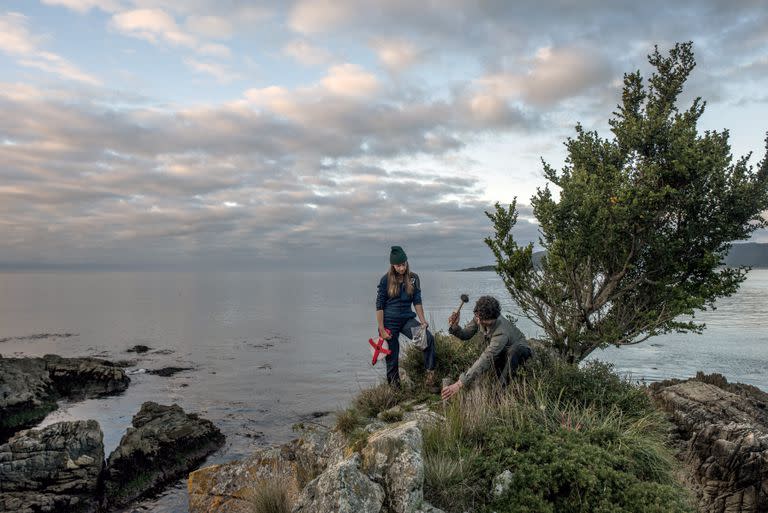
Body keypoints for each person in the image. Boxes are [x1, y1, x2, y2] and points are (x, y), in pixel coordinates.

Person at [441, 295, 532, 400]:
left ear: (493, 318)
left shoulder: (501, 332)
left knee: (513, 351)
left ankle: (498, 397)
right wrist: (455, 326)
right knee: (497, 360)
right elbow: (465, 334)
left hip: (521, 352)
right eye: (477, 317)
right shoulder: (479, 316)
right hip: (503, 352)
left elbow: (487, 357)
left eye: (483, 320)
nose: (478, 322)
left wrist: (459, 384)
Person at [375, 246, 436, 387]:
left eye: (404, 264)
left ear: (407, 262)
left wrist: (423, 322)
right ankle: (394, 391)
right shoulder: (386, 280)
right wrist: (382, 329)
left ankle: (430, 377)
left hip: (407, 320)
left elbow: (417, 301)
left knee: (428, 339)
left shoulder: (414, 278)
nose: (402, 268)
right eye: (398, 265)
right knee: (392, 357)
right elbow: (379, 306)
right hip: (389, 322)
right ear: (393, 265)